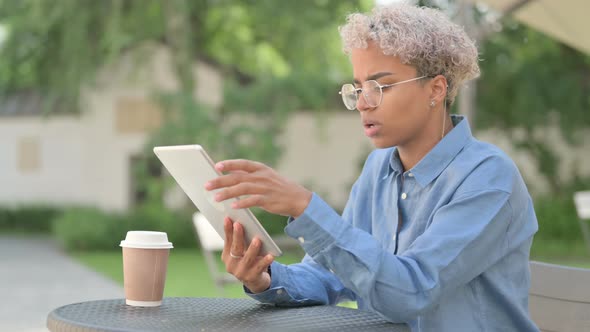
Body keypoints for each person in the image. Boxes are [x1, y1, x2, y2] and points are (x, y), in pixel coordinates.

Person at [204, 3, 539, 331]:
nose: (363, 103)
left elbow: (411, 291)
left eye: (380, 86)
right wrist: (265, 278)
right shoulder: (379, 168)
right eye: (358, 87)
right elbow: (331, 275)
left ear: (436, 89)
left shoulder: (488, 178)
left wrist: (304, 207)